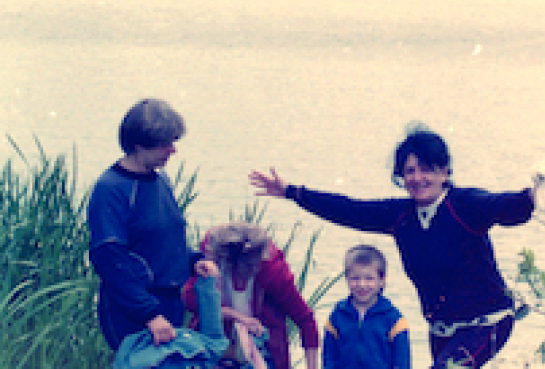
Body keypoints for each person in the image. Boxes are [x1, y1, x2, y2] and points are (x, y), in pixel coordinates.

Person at [250, 124, 545, 369]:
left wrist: (532, 198)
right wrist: (292, 192)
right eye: (409, 171)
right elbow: (348, 209)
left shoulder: (465, 205)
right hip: (442, 329)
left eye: (427, 169)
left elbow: (500, 206)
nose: (417, 178)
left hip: (488, 322)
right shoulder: (400, 216)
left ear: (445, 172)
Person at [87, 98, 217, 351]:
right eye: (165, 144)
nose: (173, 150)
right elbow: (110, 259)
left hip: (170, 303)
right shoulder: (111, 189)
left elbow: (163, 240)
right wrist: (149, 314)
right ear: (139, 144)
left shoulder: (161, 180)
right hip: (133, 311)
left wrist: (193, 261)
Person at [183, 221, 320, 369]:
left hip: (262, 353)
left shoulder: (273, 271)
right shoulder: (208, 259)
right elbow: (191, 301)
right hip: (214, 348)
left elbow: (305, 320)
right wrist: (235, 316)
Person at [322, 244, 411, 369]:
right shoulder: (337, 316)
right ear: (347, 278)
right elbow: (329, 358)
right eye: (355, 278)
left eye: (369, 279)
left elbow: (402, 363)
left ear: (382, 280)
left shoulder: (394, 320)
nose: (362, 285)